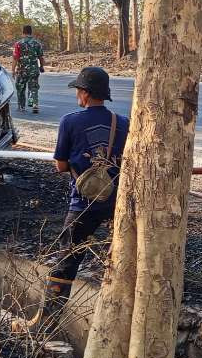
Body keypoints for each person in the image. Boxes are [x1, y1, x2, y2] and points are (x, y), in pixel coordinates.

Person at [20, 67, 129, 329]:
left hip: (83, 205)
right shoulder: (122, 122)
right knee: (118, 260)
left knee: (66, 261)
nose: (77, 95)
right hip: (117, 202)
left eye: (78, 90)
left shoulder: (70, 121)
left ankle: (44, 323)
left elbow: (60, 165)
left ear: (86, 93)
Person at [12, 25, 45, 114]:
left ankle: (21, 107)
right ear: (31, 32)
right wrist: (41, 66)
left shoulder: (18, 44)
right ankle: (34, 105)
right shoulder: (37, 43)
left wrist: (13, 70)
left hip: (21, 70)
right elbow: (41, 57)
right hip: (33, 70)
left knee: (20, 88)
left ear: (23, 33)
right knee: (33, 88)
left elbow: (15, 58)